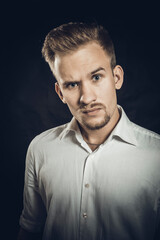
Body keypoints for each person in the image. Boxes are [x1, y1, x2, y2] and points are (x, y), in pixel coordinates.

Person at [18, 22, 160, 240]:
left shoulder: (156, 156)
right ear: (60, 92)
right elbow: (29, 229)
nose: (87, 98)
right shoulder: (40, 149)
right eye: (72, 85)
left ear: (117, 78)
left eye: (96, 77)